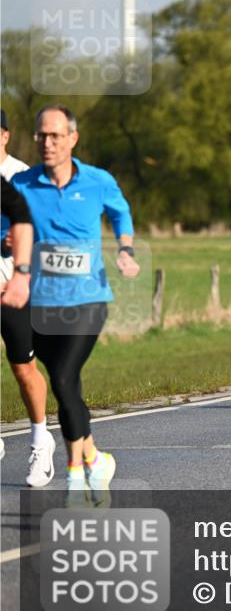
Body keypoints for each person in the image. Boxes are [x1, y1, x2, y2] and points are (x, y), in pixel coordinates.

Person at [11, 104, 140, 498]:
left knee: (64, 378)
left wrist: (125, 249)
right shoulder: (22, 185)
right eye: (40, 136)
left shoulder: (98, 181)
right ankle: (96, 459)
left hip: (88, 299)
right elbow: (8, 225)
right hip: (42, 302)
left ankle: (76, 481)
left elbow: (121, 214)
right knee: (68, 389)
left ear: (72, 138)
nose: (47, 143)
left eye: (55, 136)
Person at [1, 109, 55, 481]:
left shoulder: (25, 178)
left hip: (17, 288)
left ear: (4, 135)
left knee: (23, 369)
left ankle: (40, 440)